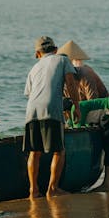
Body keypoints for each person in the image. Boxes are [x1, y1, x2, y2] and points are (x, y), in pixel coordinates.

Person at [24, 35, 81, 199]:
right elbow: (70, 83)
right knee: (59, 151)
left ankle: (33, 191)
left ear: (37, 54)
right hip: (51, 110)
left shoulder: (33, 69)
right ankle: (53, 188)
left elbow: (30, 94)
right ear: (56, 50)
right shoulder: (62, 60)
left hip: (31, 111)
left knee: (34, 152)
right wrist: (76, 107)